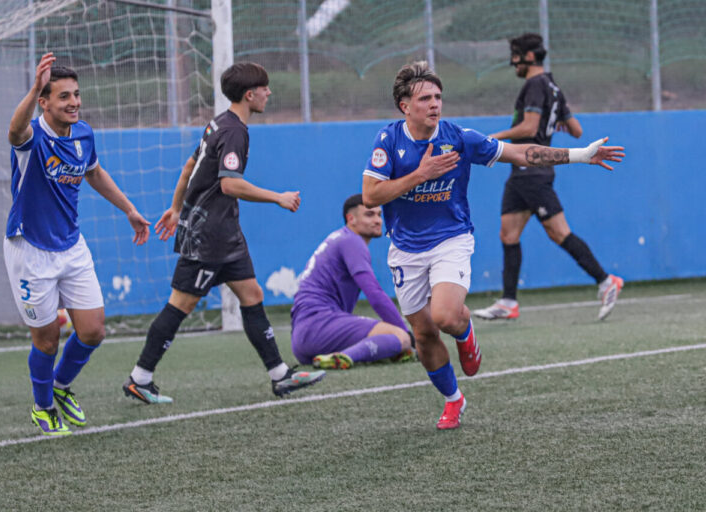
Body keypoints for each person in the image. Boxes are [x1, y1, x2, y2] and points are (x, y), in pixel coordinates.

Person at [362, 61, 624, 429]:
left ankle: (466, 333)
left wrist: (581, 155)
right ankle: (454, 400)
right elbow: (370, 196)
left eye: (438, 96)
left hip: (451, 239)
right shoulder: (388, 141)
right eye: (425, 98)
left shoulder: (458, 137)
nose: (435, 104)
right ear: (405, 106)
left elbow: (520, 153)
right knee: (422, 334)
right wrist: (421, 174)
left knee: (445, 316)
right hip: (405, 249)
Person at [122, 62, 325, 404]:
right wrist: (278, 197)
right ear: (250, 94)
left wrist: (175, 208)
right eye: (265, 88)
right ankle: (140, 378)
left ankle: (280, 376)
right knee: (181, 304)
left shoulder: (220, 122)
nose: (269, 93)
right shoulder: (234, 131)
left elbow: (190, 165)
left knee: (252, 294)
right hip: (209, 235)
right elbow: (230, 184)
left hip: (225, 232)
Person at [5, 53, 151, 436]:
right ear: (45, 102)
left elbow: (95, 173)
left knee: (92, 330)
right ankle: (42, 407)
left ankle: (61, 386)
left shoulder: (83, 133)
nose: (73, 102)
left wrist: (129, 210)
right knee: (48, 336)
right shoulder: (33, 137)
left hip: (71, 245)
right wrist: (34, 86)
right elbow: (14, 131)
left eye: (76, 95)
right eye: (63, 96)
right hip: (30, 248)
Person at [473, 33, 624, 322]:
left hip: (533, 169)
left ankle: (606, 281)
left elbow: (529, 127)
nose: (512, 62)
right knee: (508, 233)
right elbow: (576, 130)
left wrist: (492, 139)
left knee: (559, 232)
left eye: (515, 55)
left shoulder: (534, 84)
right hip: (522, 173)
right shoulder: (552, 86)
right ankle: (508, 302)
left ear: (529, 57)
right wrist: (552, 124)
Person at [291, 194, 414, 370]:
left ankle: (342, 355)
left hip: (302, 339)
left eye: (379, 215)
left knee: (386, 337)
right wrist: (408, 335)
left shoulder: (339, 238)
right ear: (351, 219)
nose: (378, 220)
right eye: (369, 215)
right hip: (320, 326)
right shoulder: (352, 241)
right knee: (400, 337)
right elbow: (374, 294)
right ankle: (345, 357)